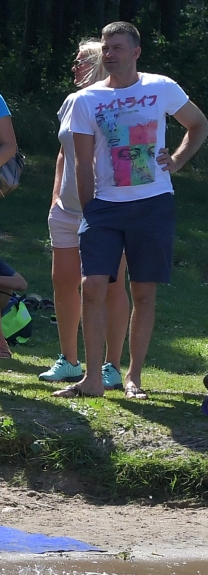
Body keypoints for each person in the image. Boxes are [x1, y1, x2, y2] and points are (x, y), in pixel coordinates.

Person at [54, 21, 208, 399]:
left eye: (117, 48)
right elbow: (82, 163)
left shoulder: (161, 87)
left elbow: (198, 124)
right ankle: (92, 379)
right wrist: (90, 209)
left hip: (153, 203)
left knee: (143, 292)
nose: (109, 54)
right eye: (106, 48)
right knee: (93, 286)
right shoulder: (86, 99)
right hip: (104, 207)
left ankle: (133, 376)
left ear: (136, 52)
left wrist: (176, 160)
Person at [43, 39, 131, 387]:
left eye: (80, 61)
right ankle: (69, 360)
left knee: (111, 287)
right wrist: (55, 197)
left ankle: (111, 366)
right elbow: (63, 153)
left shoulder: (116, 102)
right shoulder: (72, 101)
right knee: (64, 282)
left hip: (107, 209)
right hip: (67, 210)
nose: (74, 67)